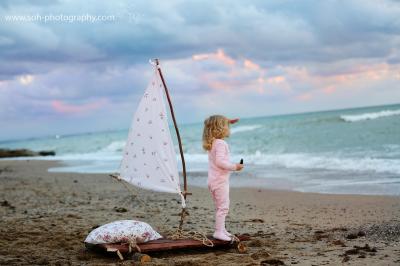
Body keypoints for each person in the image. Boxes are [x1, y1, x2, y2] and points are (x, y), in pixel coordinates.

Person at [202, 115, 244, 241]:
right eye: (226, 126)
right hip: (219, 181)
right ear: (220, 128)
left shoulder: (213, 143)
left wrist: (227, 120)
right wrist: (234, 167)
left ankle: (222, 230)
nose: (228, 129)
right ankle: (219, 232)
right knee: (223, 207)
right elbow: (220, 162)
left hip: (213, 180)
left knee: (220, 207)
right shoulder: (221, 143)